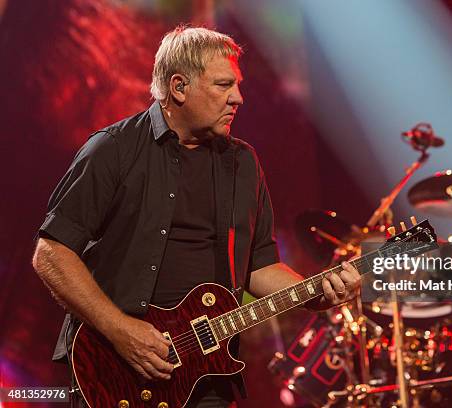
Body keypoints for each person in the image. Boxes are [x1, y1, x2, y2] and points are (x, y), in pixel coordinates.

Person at [31, 26, 361, 407]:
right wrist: (120, 330)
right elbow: (51, 253)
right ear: (179, 87)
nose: (238, 98)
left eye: (236, 85)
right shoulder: (113, 148)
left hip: (207, 375)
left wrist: (315, 293)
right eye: (223, 85)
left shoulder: (243, 163)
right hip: (113, 368)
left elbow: (260, 266)